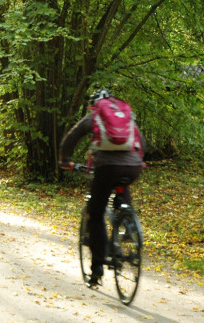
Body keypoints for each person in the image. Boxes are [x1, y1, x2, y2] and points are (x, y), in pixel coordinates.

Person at [59, 88, 144, 287]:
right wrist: (136, 161)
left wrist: (64, 160)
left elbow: (71, 138)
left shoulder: (95, 116)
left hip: (107, 168)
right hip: (133, 167)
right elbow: (142, 141)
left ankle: (97, 268)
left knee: (95, 213)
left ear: (95, 103)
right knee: (122, 189)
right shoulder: (126, 115)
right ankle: (127, 226)